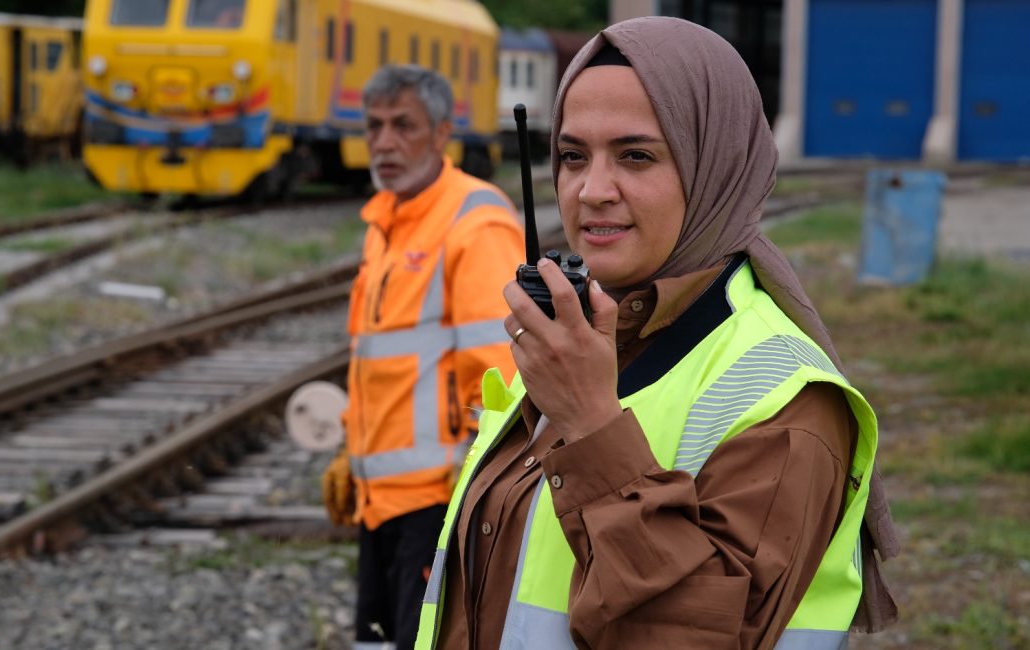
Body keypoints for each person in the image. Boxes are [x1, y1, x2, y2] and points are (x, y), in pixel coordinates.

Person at [414, 17, 900, 650]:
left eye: (636, 155)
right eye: (572, 156)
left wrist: (591, 427)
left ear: (715, 164)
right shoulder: (593, 338)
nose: (591, 192)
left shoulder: (789, 408)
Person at [320, 64, 524, 649]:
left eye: (403, 126)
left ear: (440, 133)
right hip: (380, 501)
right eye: (374, 126)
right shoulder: (386, 222)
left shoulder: (473, 221)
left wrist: (470, 494)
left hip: (436, 503)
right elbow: (379, 365)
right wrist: (348, 449)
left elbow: (500, 377)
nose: (384, 142)